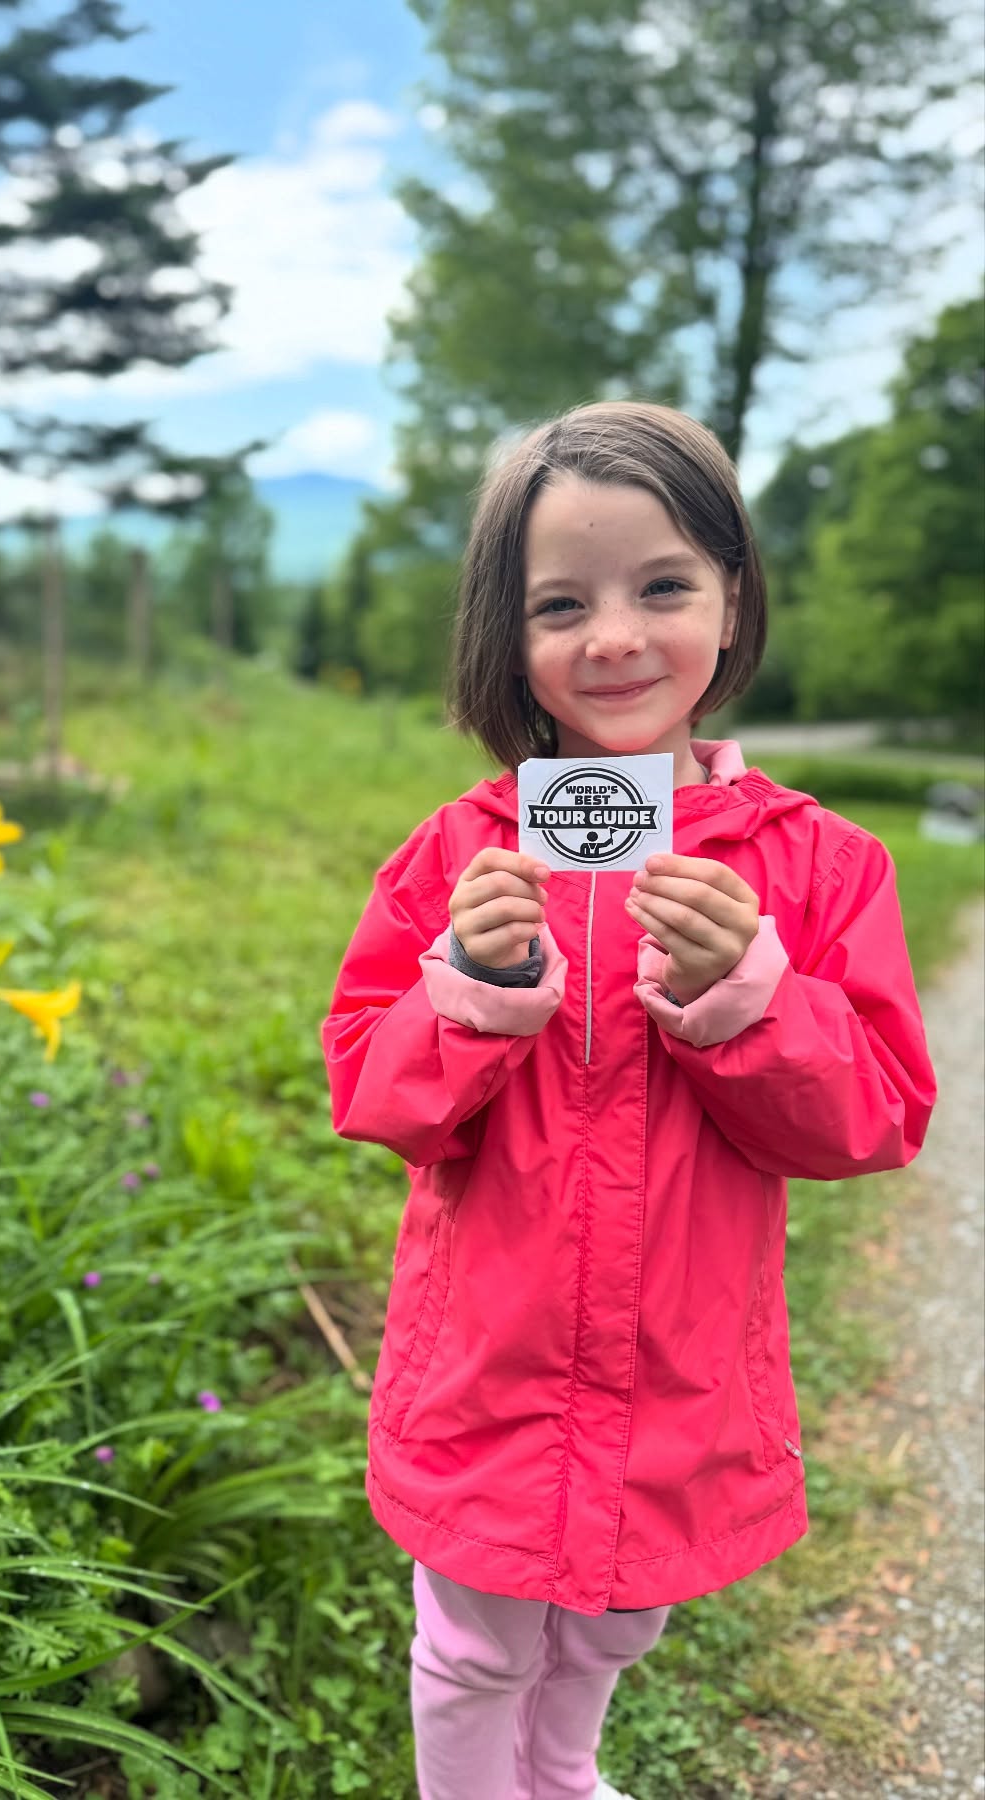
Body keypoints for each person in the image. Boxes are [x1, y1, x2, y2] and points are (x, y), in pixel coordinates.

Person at [319, 400, 937, 1800]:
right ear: (508, 639)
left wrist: (760, 1002)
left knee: (613, 1622)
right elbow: (373, 1087)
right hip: (492, 1360)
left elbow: (881, 1114)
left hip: (680, 1371)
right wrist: (467, 987)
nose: (614, 637)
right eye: (561, 603)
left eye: (663, 587)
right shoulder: (459, 859)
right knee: (476, 1646)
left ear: (732, 603)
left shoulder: (821, 871)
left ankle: (565, 1769)